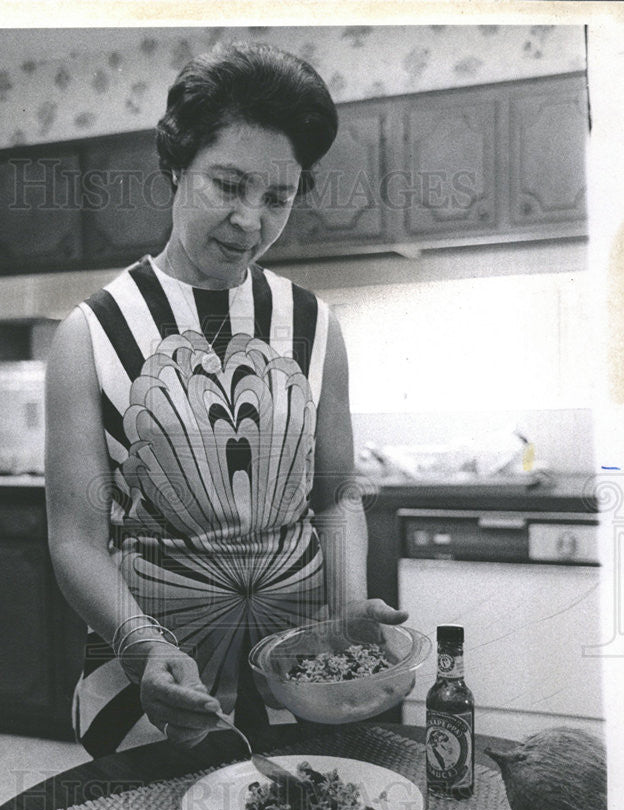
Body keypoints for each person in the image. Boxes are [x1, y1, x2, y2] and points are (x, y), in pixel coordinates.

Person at [45, 41, 407, 758]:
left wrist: (345, 609)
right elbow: (74, 540)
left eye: (276, 198)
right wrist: (144, 649)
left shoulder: (315, 325)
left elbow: (335, 495)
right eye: (228, 184)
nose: (250, 220)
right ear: (176, 166)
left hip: (302, 667)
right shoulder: (89, 334)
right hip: (156, 670)